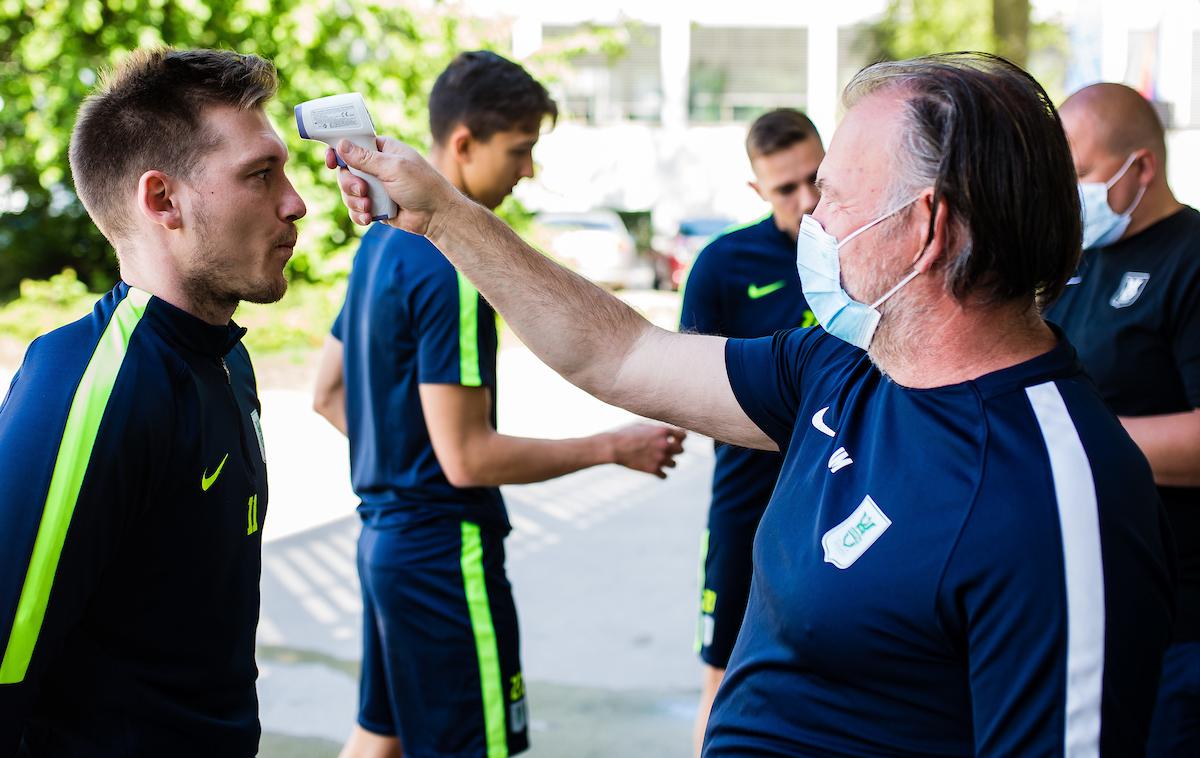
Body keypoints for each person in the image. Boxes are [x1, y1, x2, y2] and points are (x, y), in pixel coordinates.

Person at [327, 52, 1178, 756]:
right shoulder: (841, 368)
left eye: (835, 194)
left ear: (926, 227)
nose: (810, 214)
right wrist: (443, 217)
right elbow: (618, 352)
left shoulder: (1052, 495)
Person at [311, 50, 684, 758]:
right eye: (520, 150)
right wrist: (613, 445)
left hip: (384, 545)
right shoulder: (453, 264)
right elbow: (468, 456)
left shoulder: (378, 244)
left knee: (379, 740)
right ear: (462, 145)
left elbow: (328, 394)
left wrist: (399, 464)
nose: (529, 170)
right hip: (443, 557)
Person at [0, 48, 306, 756]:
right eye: (260, 175)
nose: (295, 202)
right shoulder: (91, 382)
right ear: (162, 200)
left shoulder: (227, 357)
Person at [1048, 82, 1200, 757]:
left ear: (1141, 168)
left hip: (1181, 620)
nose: (1067, 192)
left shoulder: (1190, 258)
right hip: (1084, 608)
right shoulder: (1071, 263)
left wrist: (1076, 437)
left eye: (1079, 174)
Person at [678, 107, 823, 752]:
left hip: (848, 494)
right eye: (786, 188)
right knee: (723, 678)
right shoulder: (722, 264)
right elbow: (684, 385)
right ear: (757, 192)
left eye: (817, 177)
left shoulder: (867, 251)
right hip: (748, 503)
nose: (808, 199)